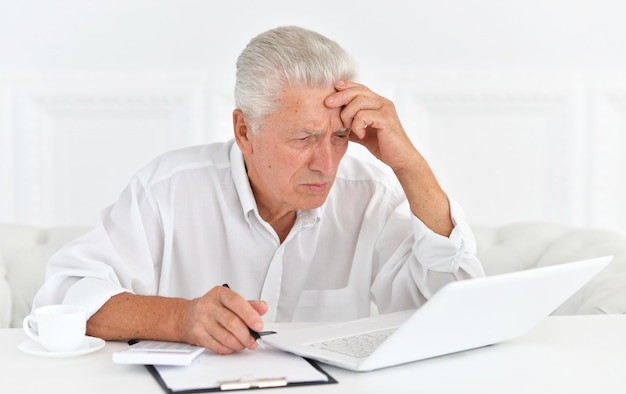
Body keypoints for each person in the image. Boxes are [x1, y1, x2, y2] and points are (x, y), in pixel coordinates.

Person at [32, 26, 485, 354]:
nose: (326, 164)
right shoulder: (168, 189)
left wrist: (411, 165)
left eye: (339, 137)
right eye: (303, 138)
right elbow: (62, 297)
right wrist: (180, 319)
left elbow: (453, 309)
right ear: (244, 130)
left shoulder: (371, 193)